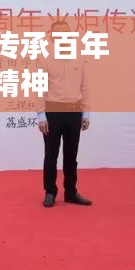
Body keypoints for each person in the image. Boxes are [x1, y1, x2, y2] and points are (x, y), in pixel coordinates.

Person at [37, 20, 92, 208]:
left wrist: (86, 114)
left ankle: (71, 192)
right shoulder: (44, 59)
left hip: (74, 111)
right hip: (53, 111)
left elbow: (85, 87)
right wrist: (41, 116)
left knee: (71, 155)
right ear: (52, 37)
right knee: (50, 155)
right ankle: (50, 192)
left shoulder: (79, 58)